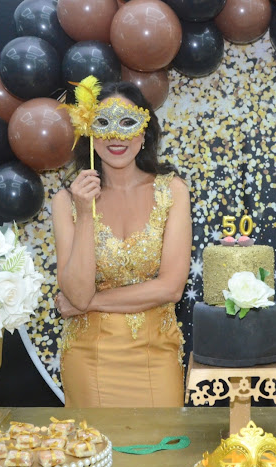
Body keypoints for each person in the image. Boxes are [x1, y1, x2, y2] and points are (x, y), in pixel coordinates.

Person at [52, 81, 192, 408]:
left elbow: (171, 288)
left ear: (144, 133)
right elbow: (76, 293)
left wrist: (90, 304)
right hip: (89, 360)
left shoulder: (172, 191)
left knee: (162, 441)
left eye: (127, 123)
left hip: (156, 356)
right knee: (92, 442)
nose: (116, 136)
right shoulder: (66, 201)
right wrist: (84, 213)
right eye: (104, 123)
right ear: (89, 132)